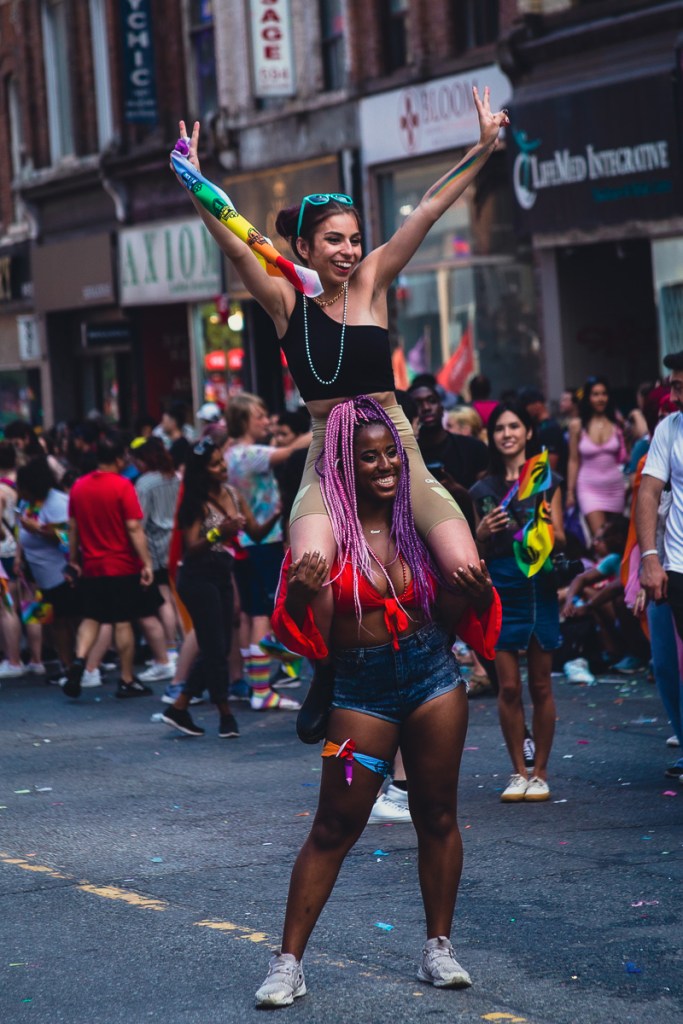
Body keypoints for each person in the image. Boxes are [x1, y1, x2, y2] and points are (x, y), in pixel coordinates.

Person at [172, 90, 508, 721]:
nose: (350, 251)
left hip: (397, 444)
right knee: (308, 566)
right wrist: (193, 179)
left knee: (465, 565)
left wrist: (483, 146)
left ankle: (432, 651)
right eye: (334, 241)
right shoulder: (285, 306)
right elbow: (236, 246)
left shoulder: (376, 281)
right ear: (305, 249)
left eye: (355, 239)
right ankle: (328, 670)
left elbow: (430, 209)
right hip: (329, 452)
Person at [255, 396, 500, 1007]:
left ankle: (438, 949)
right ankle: (288, 964)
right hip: (359, 694)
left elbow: (441, 623)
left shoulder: (417, 524)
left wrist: (469, 594)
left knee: (437, 814)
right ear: (344, 462)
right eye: (371, 457)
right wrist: (299, 595)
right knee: (333, 824)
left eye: (392, 452)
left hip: (431, 680)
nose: (387, 466)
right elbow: (313, 637)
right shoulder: (326, 531)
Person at [470, 402, 565, 803]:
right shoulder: (482, 489)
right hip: (502, 588)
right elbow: (476, 549)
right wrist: (481, 529)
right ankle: (518, 772)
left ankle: (540, 772)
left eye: (514, 426)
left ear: (528, 432)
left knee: (541, 685)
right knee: (507, 687)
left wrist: (537, 525)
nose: (507, 433)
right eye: (499, 428)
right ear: (492, 437)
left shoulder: (545, 481)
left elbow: (560, 539)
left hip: (537, 587)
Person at [160, 437, 281, 738]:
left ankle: (180, 706)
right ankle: (225, 715)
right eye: (215, 464)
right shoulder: (194, 502)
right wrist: (219, 532)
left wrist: (279, 513)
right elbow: (191, 548)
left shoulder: (234, 494)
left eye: (222, 461)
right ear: (203, 471)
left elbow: (254, 531)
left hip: (222, 574)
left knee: (221, 644)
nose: (222, 468)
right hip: (197, 578)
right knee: (214, 647)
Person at [226, 393, 308, 711]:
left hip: (245, 543)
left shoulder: (231, 453)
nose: (267, 421)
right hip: (263, 541)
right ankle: (262, 688)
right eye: (260, 415)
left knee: (253, 612)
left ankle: (258, 682)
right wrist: (320, 424)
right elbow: (290, 452)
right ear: (245, 420)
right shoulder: (251, 454)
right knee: (265, 612)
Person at [64, 434, 162, 700]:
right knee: (122, 621)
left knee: (92, 617)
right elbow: (133, 527)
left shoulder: (79, 487)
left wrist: (74, 559)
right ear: (119, 459)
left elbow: (72, 527)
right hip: (121, 565)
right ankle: (127, 679)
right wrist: (147, 563)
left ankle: (79, 660)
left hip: (92, 565)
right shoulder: (122, 486)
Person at [15, 458, 80, 675]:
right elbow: (20, 533)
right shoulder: (29, 503)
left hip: (62, 575)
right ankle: (63, 663)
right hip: (39, 576)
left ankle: (79, 665)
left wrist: (40, 530)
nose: (19, 490)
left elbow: (69, 538)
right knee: (50, 621)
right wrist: (19, 556)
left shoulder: (58, 503)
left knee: (67, 620)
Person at [637, 352, 683, 645]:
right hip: (680, 565)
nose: (673, 396)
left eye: (679, 387)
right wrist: (650, 559)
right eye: (673, 386)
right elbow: (648, 493)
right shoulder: (668, 429)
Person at [133, 438, 182, 669]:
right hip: (176, 541)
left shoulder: (144, 483)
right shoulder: (176, 477)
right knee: (175, 595)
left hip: (154, 542)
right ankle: (182, 644)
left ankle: (170, 647)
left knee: (162, 596)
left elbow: (139, 520)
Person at [566, 376, 626, 538]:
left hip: (615, 487)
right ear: (588, 397)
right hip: (589, 488)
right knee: (601, 540)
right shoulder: (577, 425)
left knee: (617, 541)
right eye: (595, 394)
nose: (600, 398)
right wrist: (570, 492)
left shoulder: (616, 422)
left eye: (604, 394)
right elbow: (573, 459)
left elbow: (626, 455)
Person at [518, 387, 568, 477]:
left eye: (526, 406)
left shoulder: (550, 428)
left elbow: (551, 466)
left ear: (537, 405)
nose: (524, 410)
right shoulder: (540, 426)